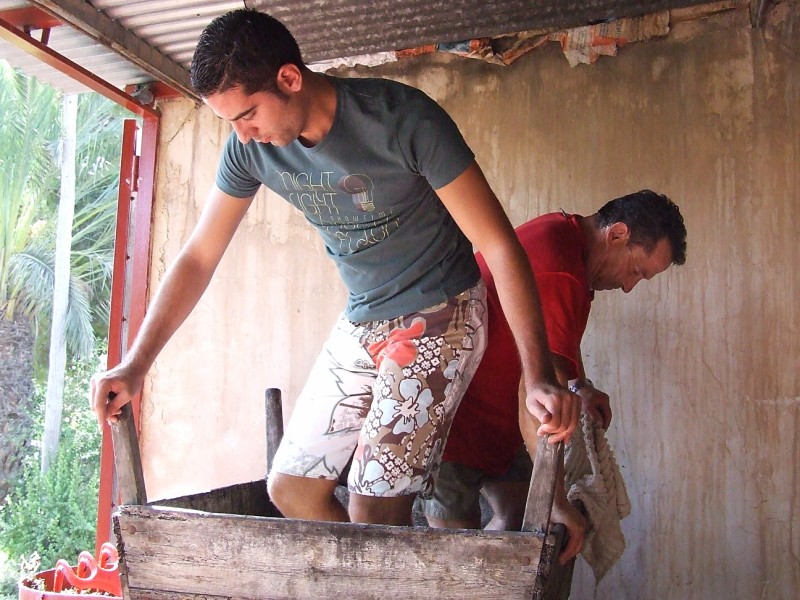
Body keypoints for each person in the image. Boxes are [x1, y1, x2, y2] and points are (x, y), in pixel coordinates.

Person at [90, 9, 580, 527]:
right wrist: (135, 365)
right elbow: (198, 257)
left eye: (248, 115)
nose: (243, 135)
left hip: (443, 312)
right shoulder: (249, 151)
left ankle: (378, 550)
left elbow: (499, 246)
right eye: (230, 122)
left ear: (289, 78)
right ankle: (378, 564)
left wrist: (537, 377)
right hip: (363, 317)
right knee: (291, 490)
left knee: (372, 509)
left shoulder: (403, 120)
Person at [423, 190, 687, 563]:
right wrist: (555, 501)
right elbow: (538, 390)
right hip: (453, 419)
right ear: (617, 234)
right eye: (636, 272)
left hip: (497, 426)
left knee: (518, 521)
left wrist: (581, 385)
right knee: (458, 558)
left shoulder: (567, 240)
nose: (629, 287)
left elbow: (557, 343)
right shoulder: (561, 269)